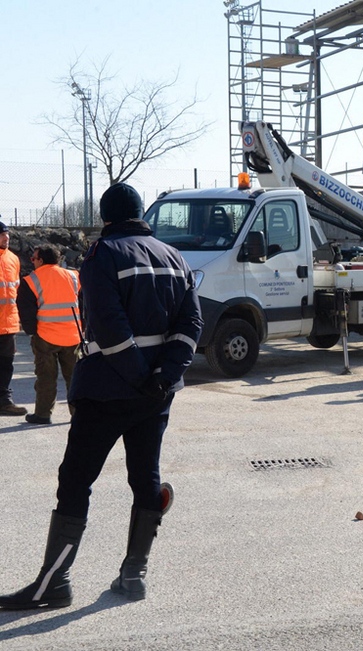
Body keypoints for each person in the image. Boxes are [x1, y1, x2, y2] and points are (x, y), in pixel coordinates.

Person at [0, 183, 203, 609]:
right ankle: (134, 576)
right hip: (157, 394)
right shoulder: (174, 257)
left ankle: (54, 584)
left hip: (108, 389)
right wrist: (164, 375)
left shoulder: (103, 253)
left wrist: (138, 375)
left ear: (106, 217)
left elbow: (109, 326)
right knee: (144, 477)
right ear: (141, 213)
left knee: (75, 480)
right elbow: (191, 324)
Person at [17, 244, 81, 425]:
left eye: (33, 259)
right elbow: (84, 302)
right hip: (72, 335)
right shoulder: (74, 276)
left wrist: (32, 332)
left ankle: (43, 414)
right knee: (75, 377)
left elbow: (26, 311)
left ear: (41, 260)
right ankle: (78, 414)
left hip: (45, 336)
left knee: (46, 377)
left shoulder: (31, 280)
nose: (32, 261)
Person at [0, 218, 28, 417]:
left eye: (7, 234)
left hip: (8, 323)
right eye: (2, 234)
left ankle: (4, 401)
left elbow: (14, 291)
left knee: (6, 365)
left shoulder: (13, 259)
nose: (6, 237)